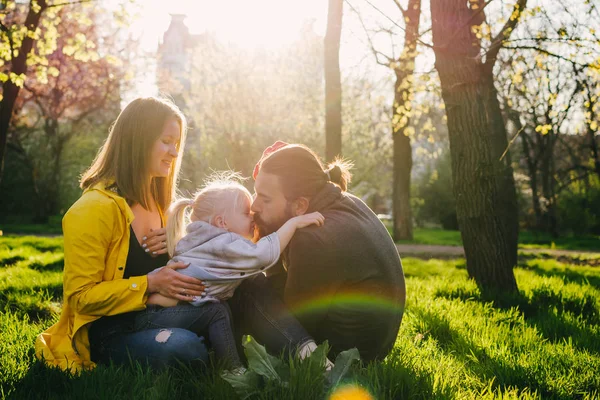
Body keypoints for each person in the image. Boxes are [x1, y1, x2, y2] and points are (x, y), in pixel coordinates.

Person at [35, 97, 208, 372]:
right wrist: (148, 283)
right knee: (185, 348)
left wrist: (177, 241)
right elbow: (80, 297)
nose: (174, 153)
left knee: (238, 300)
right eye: (166, 141)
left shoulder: (161, 203)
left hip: (155, 317)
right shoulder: (93, 209)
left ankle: (297, 350)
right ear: (137, 141)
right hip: (107, 333)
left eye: (176, 144)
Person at [140, 174, 329, 370]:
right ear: (222, 222)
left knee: (223, 306)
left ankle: (244, 365)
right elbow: (261, 254)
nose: (253, 215)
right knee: (217, 311)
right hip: (158, 315)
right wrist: (294, 223)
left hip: (159, 314)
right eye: (246, 213)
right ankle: (234, 372)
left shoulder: (203, 239)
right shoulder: (223, 243)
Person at [251, 142, 406, 362]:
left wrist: (269, 244)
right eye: (256, 193)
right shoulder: (346, 201)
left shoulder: (313, 237)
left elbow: (294, 321)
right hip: (371, 349)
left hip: (339, 357)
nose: (254, 206)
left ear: (300, 206)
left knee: (249, 286)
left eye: (265, 199)